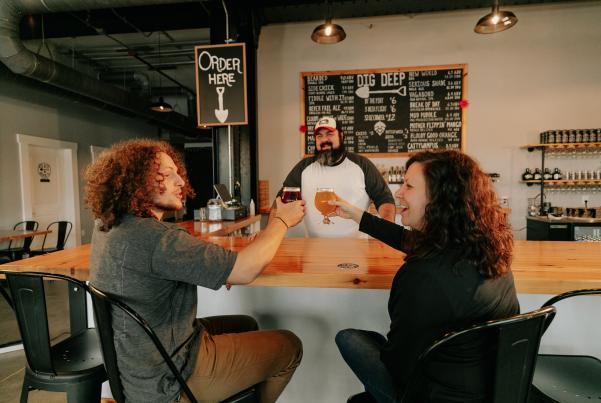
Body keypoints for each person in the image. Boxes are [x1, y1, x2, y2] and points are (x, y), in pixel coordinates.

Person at [84, 139, 305, 403]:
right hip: (168, 380)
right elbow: (244, 271)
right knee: (289, 346)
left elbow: (167, 260)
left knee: (246, 324)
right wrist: (280, 221)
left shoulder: (110, 227)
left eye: (177, 172)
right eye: (166, 175)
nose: (180, 181)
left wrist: (221, 267)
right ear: (134, 183)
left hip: (136, 368)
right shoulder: (158, 239)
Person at [331, 150, 519, 403]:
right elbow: (410, 240)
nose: (398, 192)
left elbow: (399, 365)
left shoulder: (423, 277)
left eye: (408, 186)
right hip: (491, 386)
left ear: (440, 199)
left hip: (434, 395)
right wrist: (357, 215)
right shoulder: (486, 250)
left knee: (350, 338)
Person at [273, 116, 395, 238]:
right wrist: (269, 234)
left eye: (329, 134)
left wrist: (388, 234)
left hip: (358, 251)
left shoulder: (362, 165)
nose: (324, 140)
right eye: (319, 136)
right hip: (313, 250)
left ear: (341, 136)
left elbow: (384, 199)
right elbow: (280, 203)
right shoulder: (303, 167)